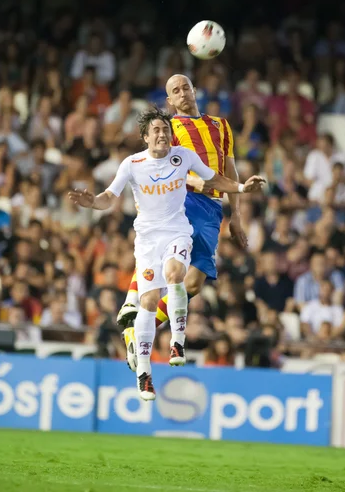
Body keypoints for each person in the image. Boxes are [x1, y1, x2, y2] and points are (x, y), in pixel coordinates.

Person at [69, 107, 264, 400]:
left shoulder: (182, 156)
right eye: (156, 131)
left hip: (177, 231)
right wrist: (92, 202)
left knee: (176, 274)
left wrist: (240, 187)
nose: (162, 134)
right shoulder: (132, 164)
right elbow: (109, 197)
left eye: (165, 129)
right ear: (145, 137)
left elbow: (212, 179)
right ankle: (144, 373)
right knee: (148, 302)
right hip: (147, 241)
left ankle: (177, 342)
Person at [118, 74, 249, 371]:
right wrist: (194, 182)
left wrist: (236, 216)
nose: (182, 93)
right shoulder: (169, 128)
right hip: (182, 199)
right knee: (162, 251)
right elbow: (162, 165)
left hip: (213, 207)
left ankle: (132, 331)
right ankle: (132, 305)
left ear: (194, 91)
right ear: (169, 100)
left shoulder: (220, 125)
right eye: (175, 91)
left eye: (186, 88)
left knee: (194, 282)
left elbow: (229, 169)